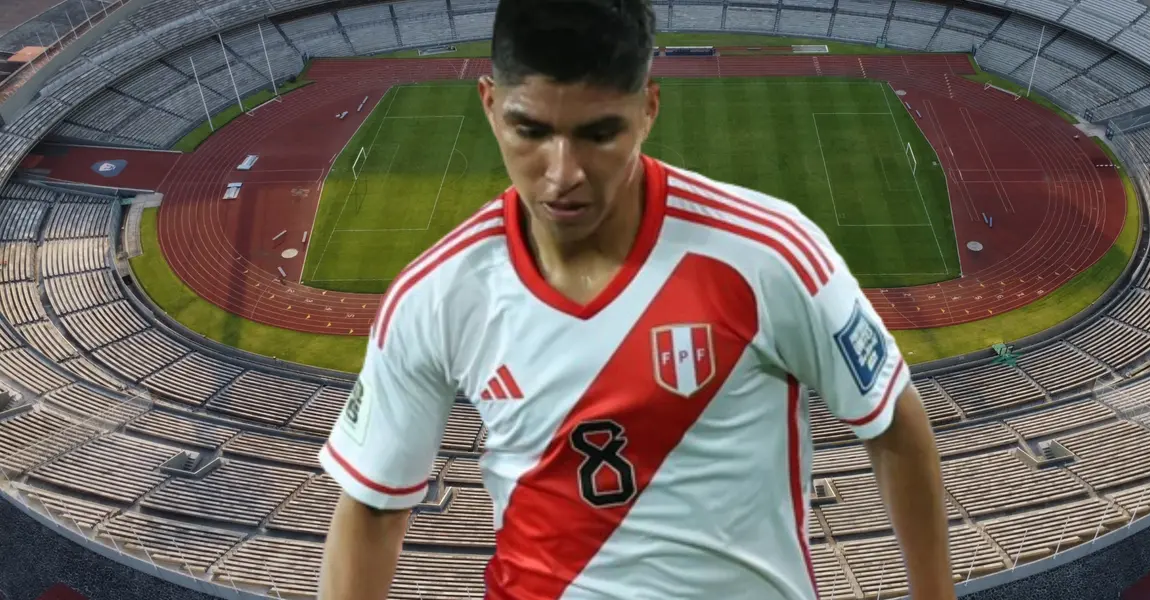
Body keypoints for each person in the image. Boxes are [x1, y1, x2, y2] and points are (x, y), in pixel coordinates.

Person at [317, 0, 955, 598]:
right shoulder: (436, 293)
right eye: (530, 129)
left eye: (599, 134)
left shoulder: (767, 254)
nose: (562, 172)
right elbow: (372, 509)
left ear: (648, 109)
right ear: (489, 104)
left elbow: (894, 421)